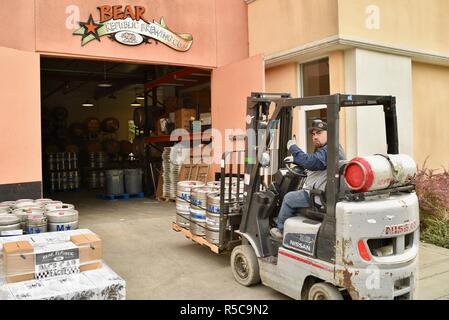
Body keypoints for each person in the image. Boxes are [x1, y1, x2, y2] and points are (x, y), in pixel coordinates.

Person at [269, 119, 346, 240]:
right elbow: (315, 164)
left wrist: (293, 147)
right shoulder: (330, 149)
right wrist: (298, 161)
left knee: (288, 198)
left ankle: (281, 229)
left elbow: (311, 162)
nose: (315, 137)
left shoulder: (329, 149)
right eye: (313, 134)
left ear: (329, 134)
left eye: (319, 133)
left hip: (317, 196)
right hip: (323, 192)